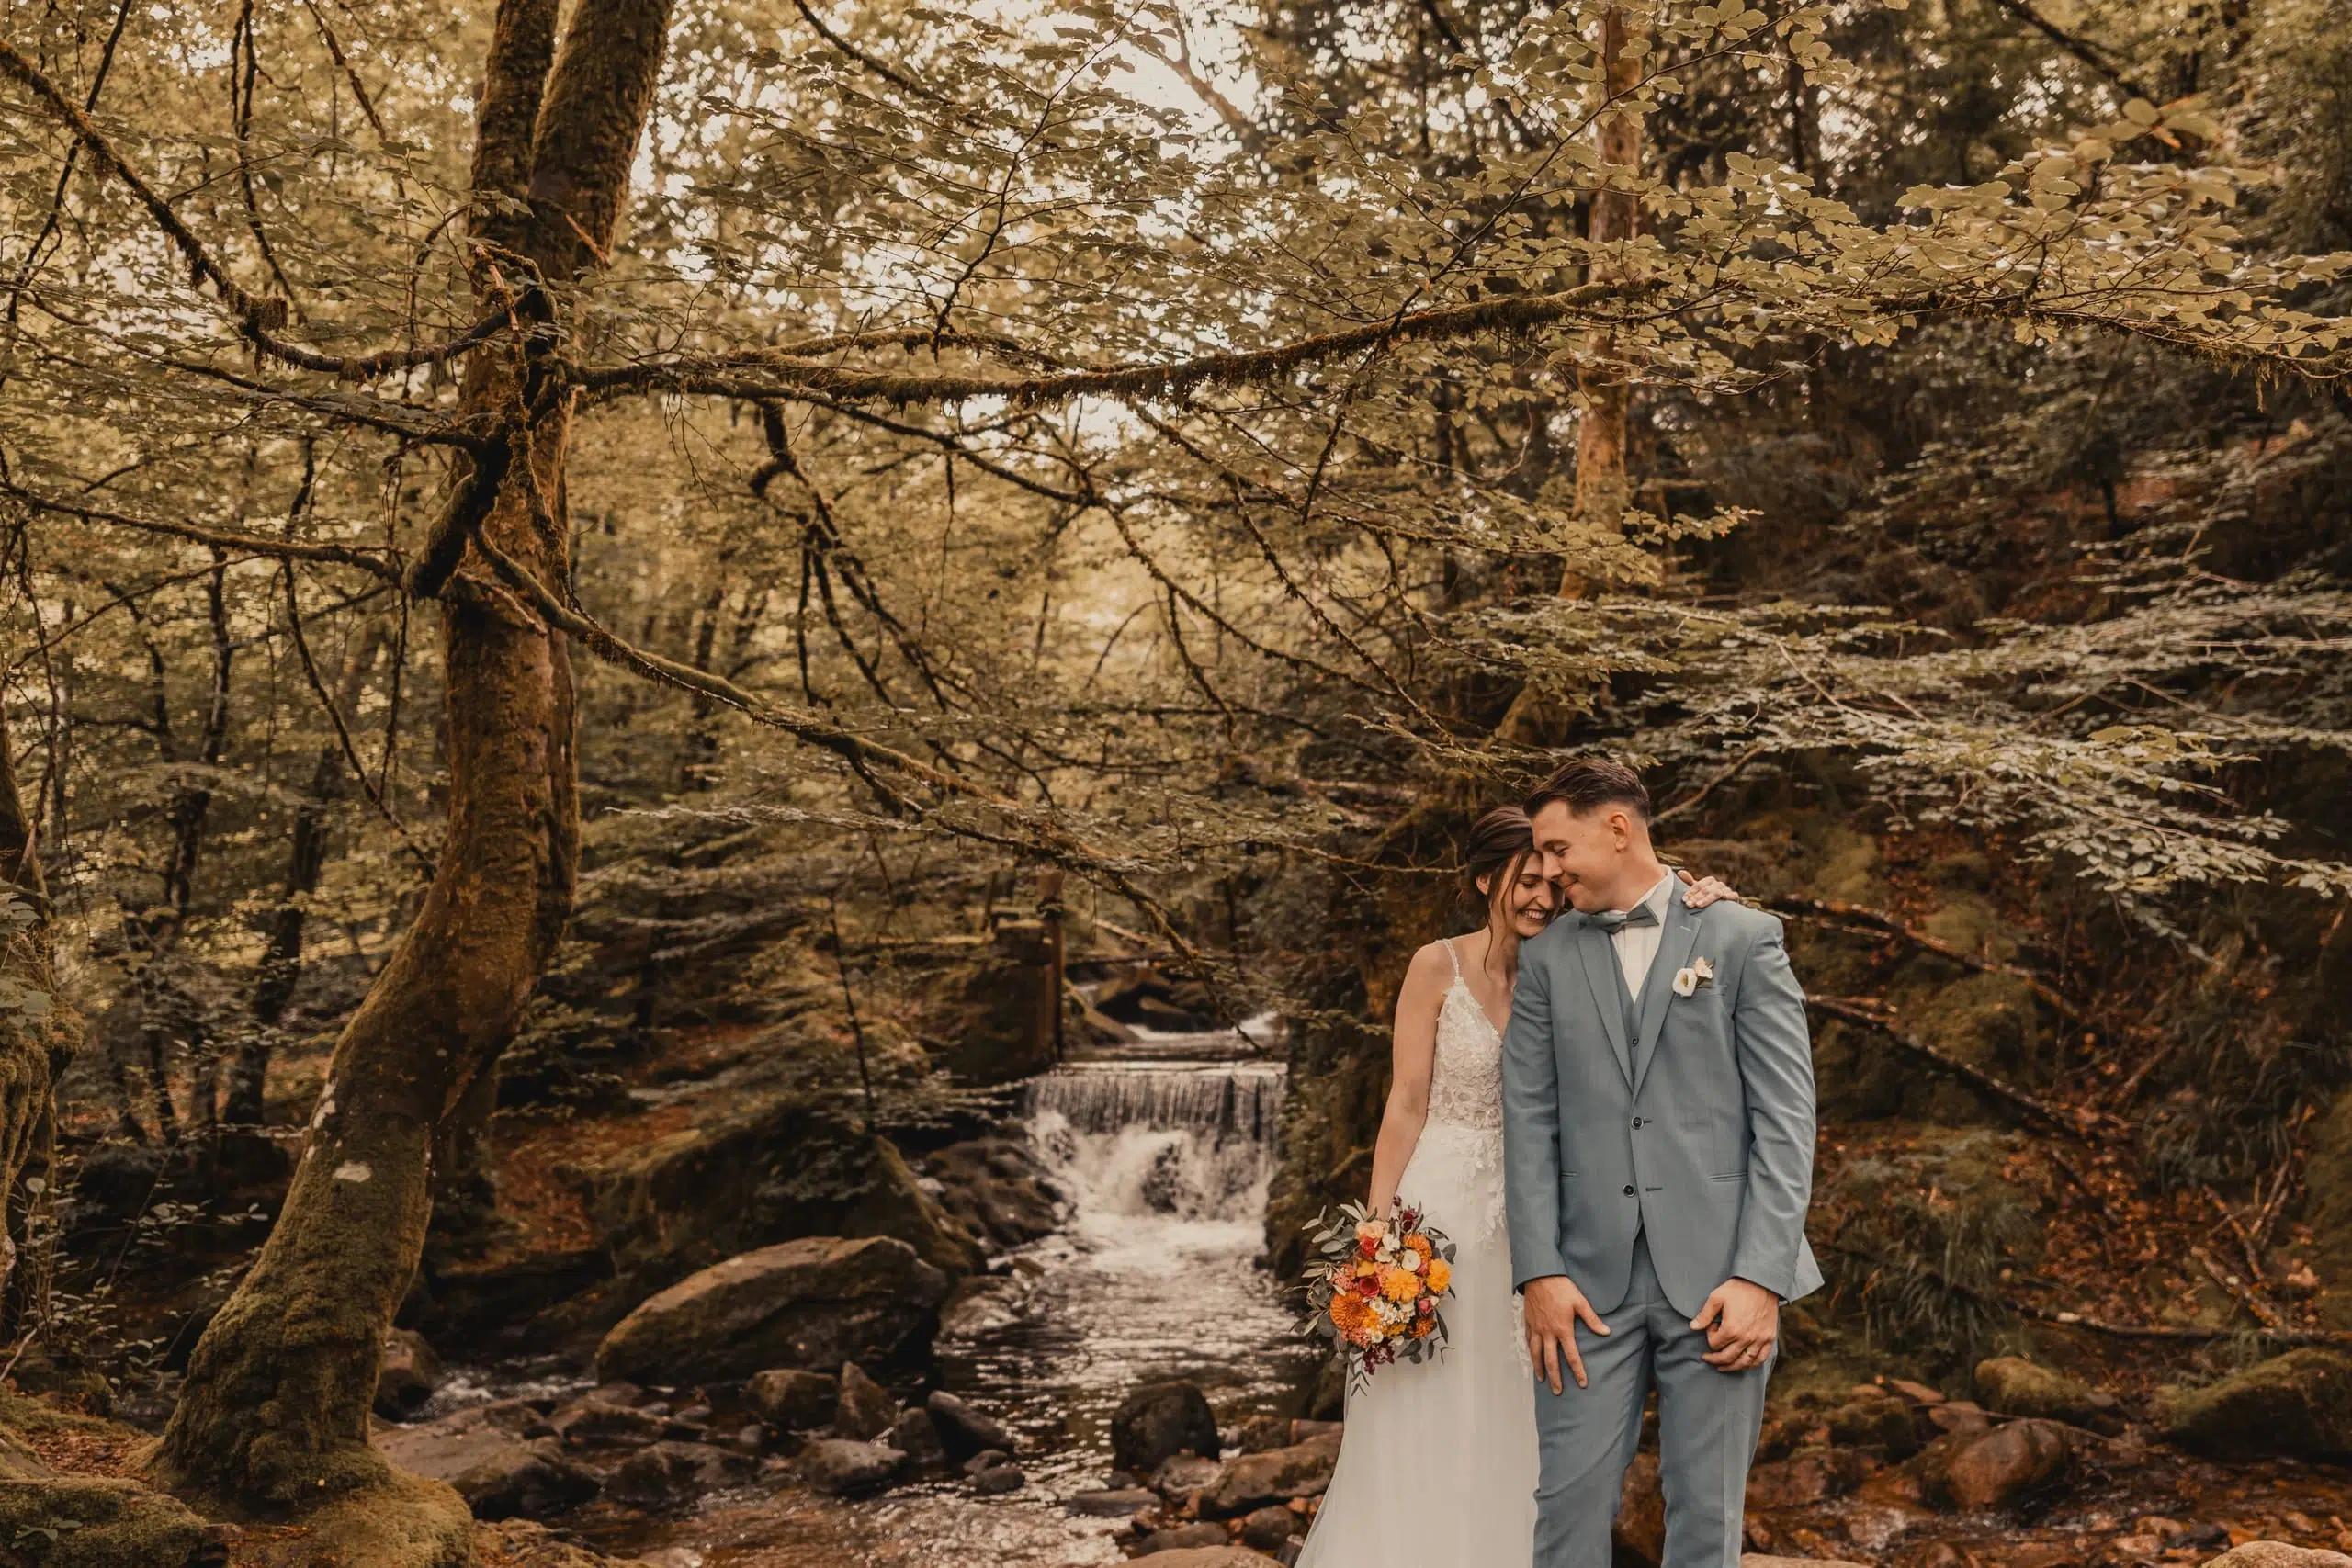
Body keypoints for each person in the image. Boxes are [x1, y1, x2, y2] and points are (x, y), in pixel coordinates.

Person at [1295, 807, 1739, 1568]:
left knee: (1525, 1399)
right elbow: (1405, 1102)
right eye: (1524, 881)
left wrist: (1708, 897)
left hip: (1545, 1215)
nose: (1542, 896)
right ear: (1482, 880)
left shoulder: (1569, 960)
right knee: (1424, 1394)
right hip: (1438, 1208)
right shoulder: (1435, 965)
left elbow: (1652, 927)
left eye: (1551, 881)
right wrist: (1376, 1232)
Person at [1501, 757, 1822, 1568]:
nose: (1545, 869)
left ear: (1617, 827)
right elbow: (1529, 1119)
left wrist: (1761, 1277)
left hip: (1721, 1282)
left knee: (1707, 1521)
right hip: (1581, 1289)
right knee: (1566, 1511)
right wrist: (1539, 1271)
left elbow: (1786, 1122)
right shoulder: (1544, 960)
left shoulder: (1743, 937)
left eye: (1555, 845)